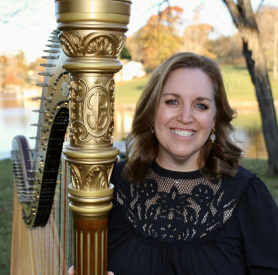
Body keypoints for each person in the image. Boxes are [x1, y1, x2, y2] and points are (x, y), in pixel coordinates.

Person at [71, 52, 278, 274]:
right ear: (151, 112)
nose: (186, 117)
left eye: (201, 106)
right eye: (172, 101)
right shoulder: (109, 187)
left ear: (215, 119)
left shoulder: (247, 195)